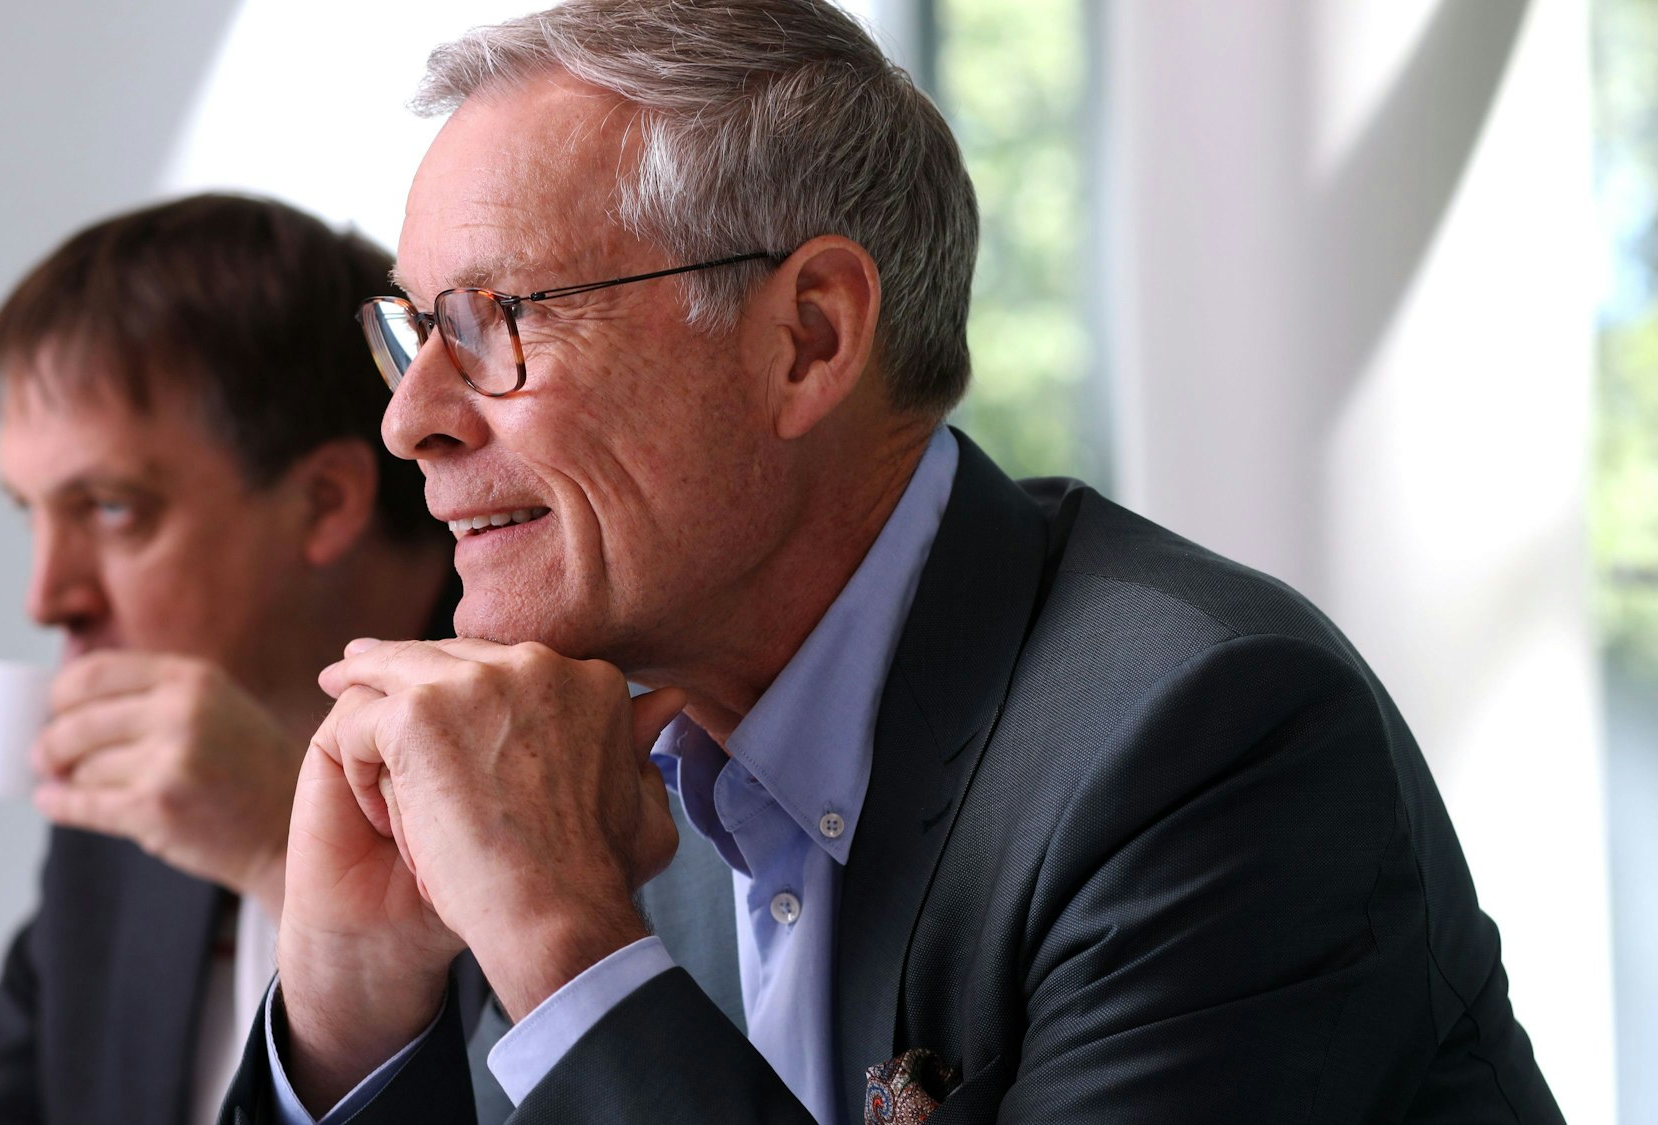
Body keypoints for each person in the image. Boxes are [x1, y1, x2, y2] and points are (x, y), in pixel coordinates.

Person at [224, 2, 1565, 1122]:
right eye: (413, 333)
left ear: (806, 338)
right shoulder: (567, 750)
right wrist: (347, 1016)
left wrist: (564, 943)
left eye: (495, 321)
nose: (411, 419)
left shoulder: (1210, 740)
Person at [0, 193, 459, 1125]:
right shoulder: (139, 816)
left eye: (112, 507)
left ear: (326, 502)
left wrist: (283, 851)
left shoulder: (573, 750)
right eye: (31, 513)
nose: (47, 597)